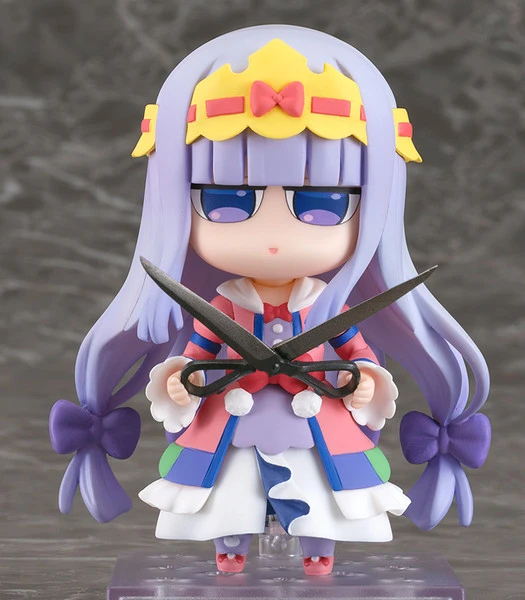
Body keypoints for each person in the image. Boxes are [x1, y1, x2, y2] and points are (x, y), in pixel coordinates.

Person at [49, 25, 491, 576]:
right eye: (227, 201)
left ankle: (319, 553)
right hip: (231, 419)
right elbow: (197, 353)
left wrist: (361, 381)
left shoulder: (329, 310)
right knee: (229, 491)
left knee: (323, 493)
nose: (275, 236)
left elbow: (359, 357)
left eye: (324, 203)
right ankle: (230, 550)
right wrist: (183, 380)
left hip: (318, 422)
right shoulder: (223, 309)